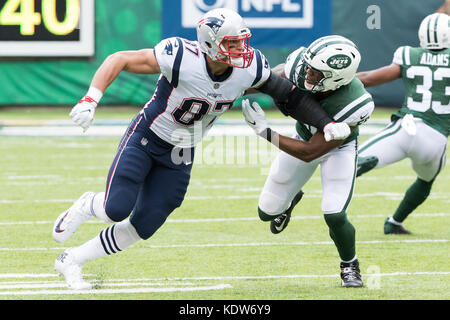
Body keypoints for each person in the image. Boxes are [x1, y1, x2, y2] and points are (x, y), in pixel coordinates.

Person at [52, 8, 351, 290]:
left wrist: (325, 123)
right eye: (233, 44)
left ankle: (72, 260)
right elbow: (119, 58)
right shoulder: (180, 56)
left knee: (145, 224)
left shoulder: (250, 67)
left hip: (182, 151)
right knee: (114, 208)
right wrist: (91, 99)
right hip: (146, 137)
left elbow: (289, 96)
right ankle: (86, 205)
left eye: (242, 42)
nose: (242, 50)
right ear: (211, 44)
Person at [242, 35, 374, 287]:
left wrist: (265, 132)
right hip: (302, 137)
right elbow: (270, 80)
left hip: (338, 150)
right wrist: (225, 93)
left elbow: (310, 152)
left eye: (315, 74)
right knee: (265, 212)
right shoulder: (297, 68)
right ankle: (291, 199)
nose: (306, 75)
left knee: (334, 213)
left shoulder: (357, 104)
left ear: (336, 79)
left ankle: (350, 265)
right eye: (308, 67)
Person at [356, 13, 449, 234]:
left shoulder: (409, 54)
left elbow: (369, 78)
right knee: (425, 182)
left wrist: (334, 81)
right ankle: (395, 222)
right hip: (436, 141)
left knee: (350, 161)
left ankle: (297, 189)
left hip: (407, 129)